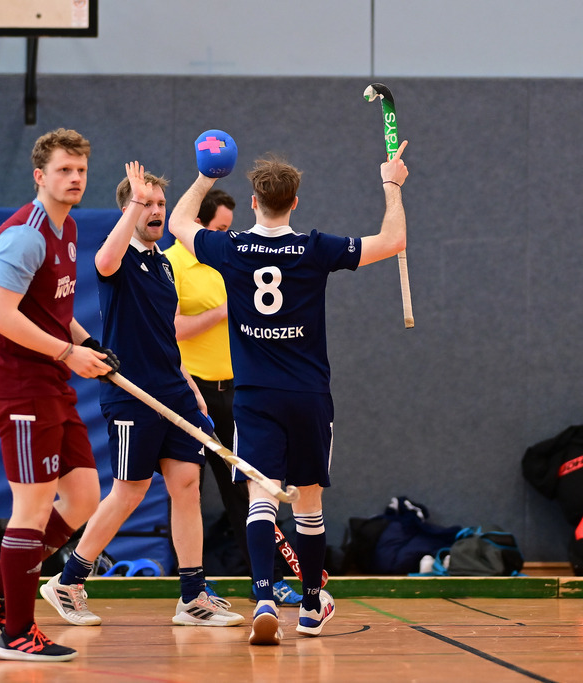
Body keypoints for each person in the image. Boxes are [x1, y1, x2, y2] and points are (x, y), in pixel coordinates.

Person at [168, 141, 410, 645]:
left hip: (254, 394)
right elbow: (392, 240)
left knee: (261, 499)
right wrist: (392, 185)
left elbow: (178, 223)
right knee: (309, 505)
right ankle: (309, 606)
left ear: (254, 202)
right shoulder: (316, 247)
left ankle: (261, 597)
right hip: (307, 395)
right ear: (295, 202)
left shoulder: (229, 248)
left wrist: (206, 176)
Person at [39, 162, 244, 628]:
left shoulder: (164, 264)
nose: (155, 211)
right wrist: (132, 201)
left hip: (174, 391)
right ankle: (68, 581)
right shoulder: (117, 258)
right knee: (129, 492)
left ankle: (192, 596)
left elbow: (166, 340)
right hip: (132, 398)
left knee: (187, 488)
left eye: (159, 204)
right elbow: (105, 263)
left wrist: (192, 393)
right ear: (129, 208)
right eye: (145, 203)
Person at [0, 128, 120, 662]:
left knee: (82, 500)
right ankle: (16, 631)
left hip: (52, 382)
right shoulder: (24, 235)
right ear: (39, 176)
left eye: (81, 170)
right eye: (64, 171)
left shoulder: (67, 227)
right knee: (30, 508)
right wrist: (67, 354)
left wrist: (85, 342)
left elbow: (50, 308)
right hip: (19, 387)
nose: (74, 179)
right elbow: (1, 316)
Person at [163, 189, 303, 606]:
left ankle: (265, 579)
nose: (225, 234)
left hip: (234, 389)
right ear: (199, 225)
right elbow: (168, 329)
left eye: (228, 228)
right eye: (219, 228)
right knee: (187, 489)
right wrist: (222, 312)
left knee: (245, 490)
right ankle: (194, 584)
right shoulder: (171, 263)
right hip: (192, 392)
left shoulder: (227, 259)